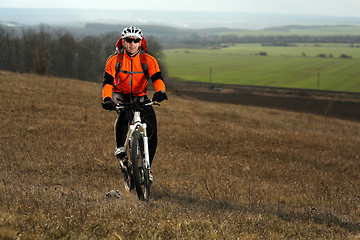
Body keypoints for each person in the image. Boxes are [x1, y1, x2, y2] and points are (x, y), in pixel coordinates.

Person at [101, 26, 167, 181]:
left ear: (140, 42)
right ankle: (120, 148)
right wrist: (106, 99)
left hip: (140, 96)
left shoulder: (148, 60)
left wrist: (160, 92)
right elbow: (107, 82)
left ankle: (147, 168)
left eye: (136, 41)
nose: (132, 43)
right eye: (129, 40)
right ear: (123, 42)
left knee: (152, 130)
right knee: (124, 114)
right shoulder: (114, 60)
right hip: (121, 94)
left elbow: (157, 78)